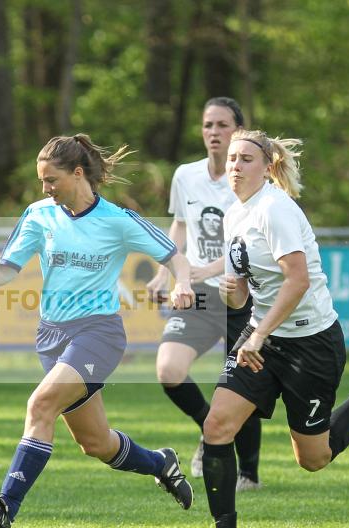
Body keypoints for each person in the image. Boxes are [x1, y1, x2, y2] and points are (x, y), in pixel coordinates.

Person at [0, 133, 196, 528]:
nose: (45, 189)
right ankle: (161, 464)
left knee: (40, 404)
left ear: (78, 173)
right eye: (42, 181)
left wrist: (183, 283)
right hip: (51, 336)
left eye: (52, 180)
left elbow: (174, 256)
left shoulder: (117, 220)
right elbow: (7, 268)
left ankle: (6, 505)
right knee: (96, 443)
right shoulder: (39, 214)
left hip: (98, 332)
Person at [198, 129, 349, 528]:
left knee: (313, 459)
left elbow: (297, 281)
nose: (236, 166)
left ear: (267, 167)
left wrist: (257, 334)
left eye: (246, 159)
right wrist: (235, 295)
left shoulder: (274, 209)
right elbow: (244, 288)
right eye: (231, 159)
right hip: (263, 338)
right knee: (217, 424)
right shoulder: (234, 214)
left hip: (311, 343)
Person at [145, 98, 262, 489]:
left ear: (238, 132)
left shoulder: (250, 181)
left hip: (238, 294)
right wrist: (168, 270)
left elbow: (248, 243)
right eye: (208, 124)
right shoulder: (186, 176)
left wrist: (207, 269)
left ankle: (248, 473)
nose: (214, 132)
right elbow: (179, 225)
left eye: (223, 125)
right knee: (169, 370)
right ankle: (207, 424)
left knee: (242, 384)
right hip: (196, 294)